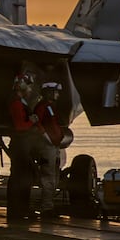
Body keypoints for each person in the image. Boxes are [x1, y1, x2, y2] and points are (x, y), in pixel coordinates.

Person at [6, 73, 39, 222]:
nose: (30, 89)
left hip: (20, 145)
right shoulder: (17, 103)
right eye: (29, 85)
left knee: (20, 178)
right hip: (21, 145)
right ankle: (19, 211)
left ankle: (19, 211)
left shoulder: (18, 102)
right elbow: (20, 126)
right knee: (22, 179)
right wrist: (31, 121)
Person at [33, 82, 65, 218]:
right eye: (55, 92)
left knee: (53, 177)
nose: (57, 95)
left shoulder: (50, 107)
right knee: (48, 178)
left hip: (53, 146)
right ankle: (46, 207)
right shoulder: (42, 107)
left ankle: (49, 205)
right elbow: (37, 123)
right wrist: (46, 137)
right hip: (47, 147)